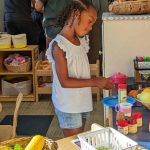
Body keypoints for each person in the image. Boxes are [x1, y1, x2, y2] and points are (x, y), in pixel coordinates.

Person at [46, 0, 114, 137]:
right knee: (73, 143)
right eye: (89, 21)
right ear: (76, 14)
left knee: (78, 140)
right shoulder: (59, 46)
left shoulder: (81, 41)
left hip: (81, 101)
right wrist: (95, 81)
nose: (90, 28)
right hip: (68, 105)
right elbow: (64, 82)